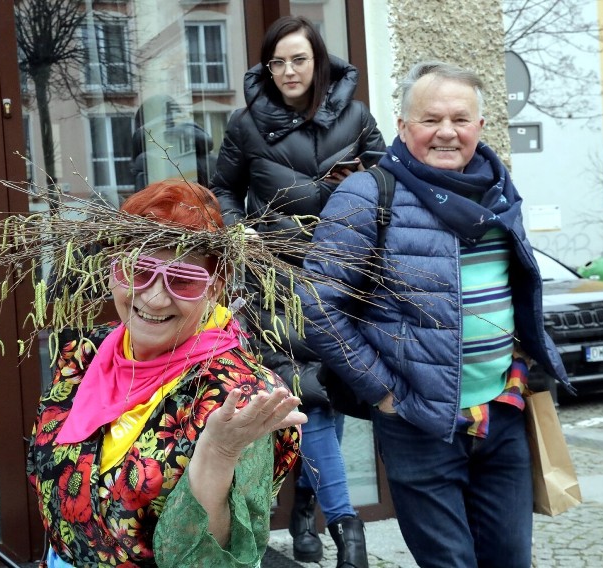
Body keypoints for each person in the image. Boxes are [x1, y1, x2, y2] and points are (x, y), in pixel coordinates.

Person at [301, 61, 572, 568]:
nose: (446, 132)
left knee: (511, 559)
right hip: (418, 423)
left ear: (480, 128)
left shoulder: (498, 190)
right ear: (403, 127)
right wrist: (384, 394)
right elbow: (318, 305)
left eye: (460, 119)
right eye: (430, 119)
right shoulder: (366, 195)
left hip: (501, 413)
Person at [26, 179, 305, 567]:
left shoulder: (241, 398)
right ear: (114, 270)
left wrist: (218, 452)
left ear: (215, 287)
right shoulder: (86, 354)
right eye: (138, 271)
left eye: (183, 280)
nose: (154, 298)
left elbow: (217, 561)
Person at [210, 14, 384, 566]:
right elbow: (223, 188)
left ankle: (304, 513)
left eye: (299, 59)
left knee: (324, 394)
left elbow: (387, 182)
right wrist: (242, 235)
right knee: (306, 395)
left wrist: (355, 200)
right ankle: (347, 532)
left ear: (319, 62)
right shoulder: (244, 124)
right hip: (277, 281)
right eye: (277, 62)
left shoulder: (356, 116)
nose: (288, 71)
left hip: (345, 276)